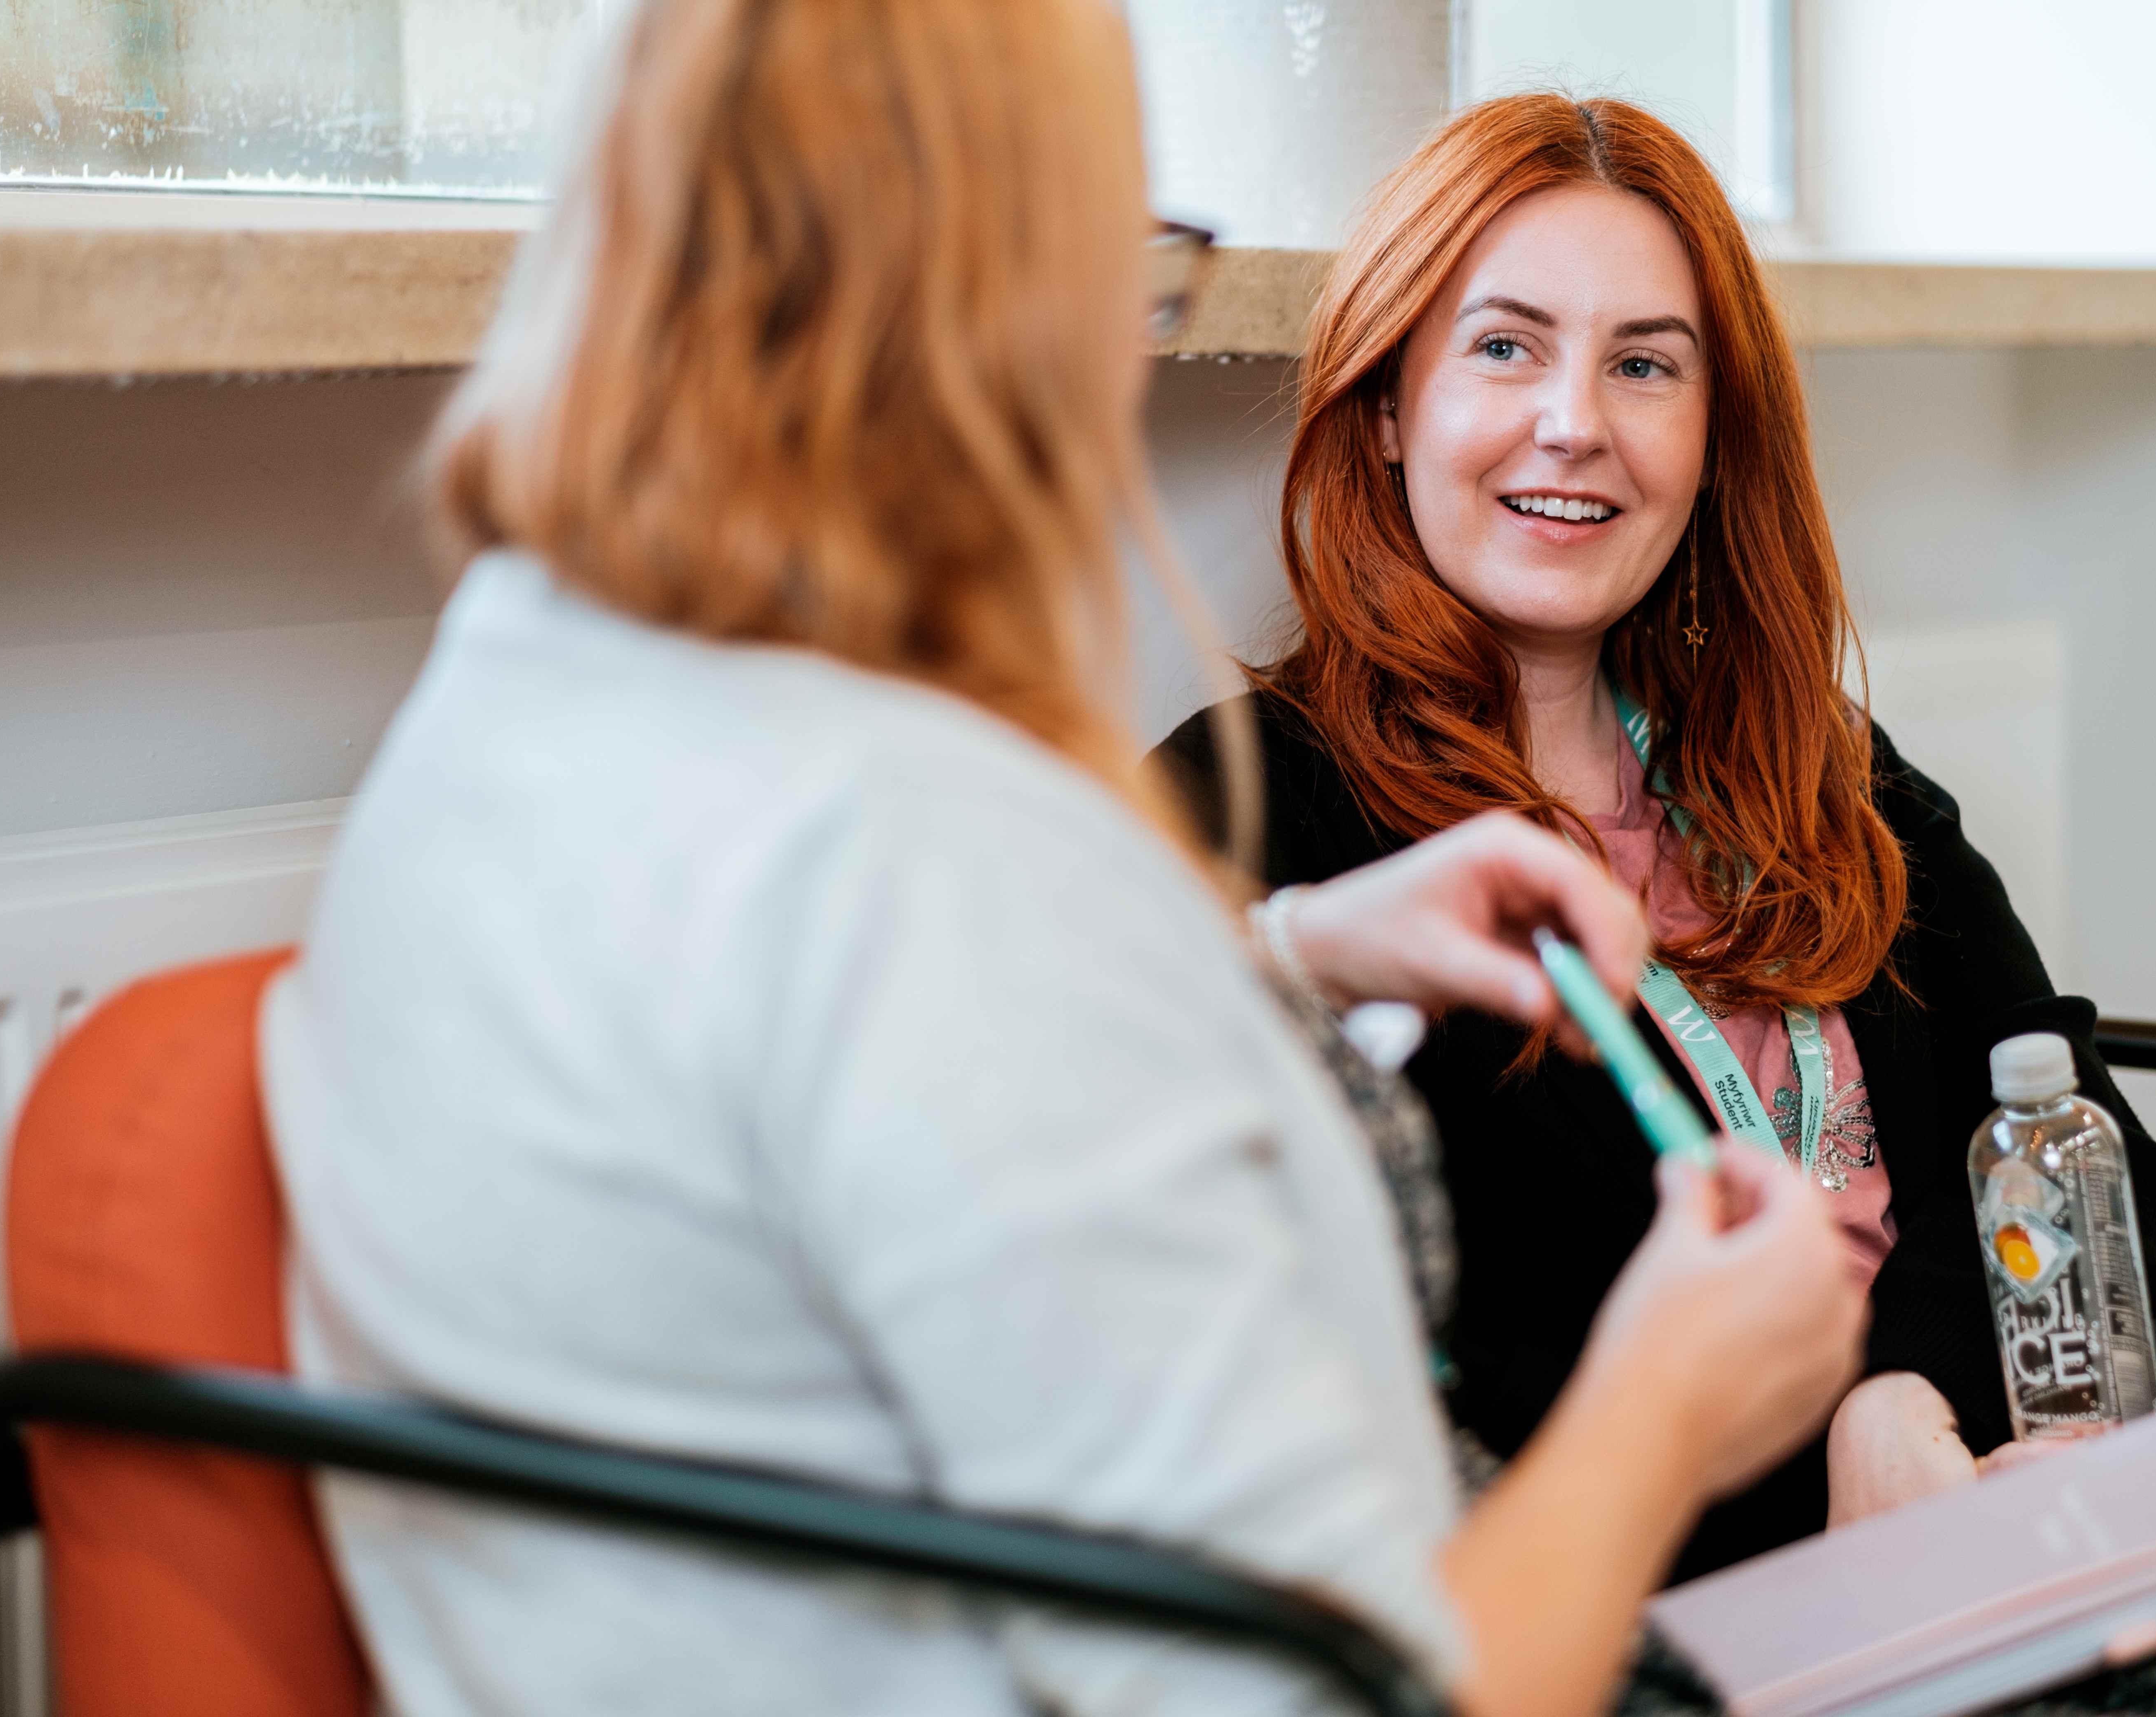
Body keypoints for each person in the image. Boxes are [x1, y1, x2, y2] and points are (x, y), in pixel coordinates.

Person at [260, 9, 1869, 1716]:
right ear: (998, 311)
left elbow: (809, 1089)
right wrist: (1668, 1405)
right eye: (1129, 270)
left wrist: (1288, 953)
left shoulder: (508, 706)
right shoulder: (926, 861)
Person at [1155, 92, 2156, 1712]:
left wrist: (1895, 1399)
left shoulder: (1800, 760)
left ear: (1711, 428)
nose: (1574, 422)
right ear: (1390, 403)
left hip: (1952, 1449)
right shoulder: (1259, 811)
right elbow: (1486, 1365)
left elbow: (2098, 1161)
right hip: (1671, 1573)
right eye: (1503, 348)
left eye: (1645, 362)